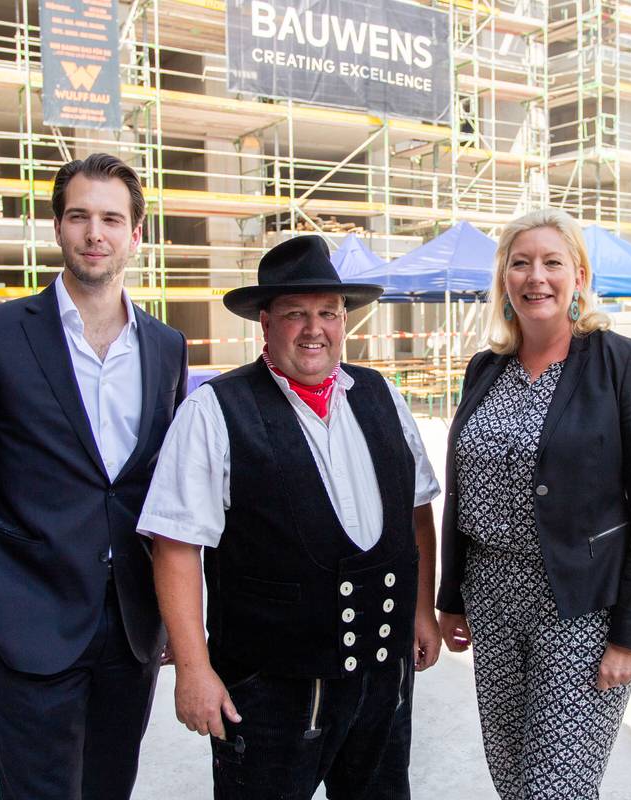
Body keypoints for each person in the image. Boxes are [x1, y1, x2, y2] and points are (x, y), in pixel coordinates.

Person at [139, 236, 441, 800]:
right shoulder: (214, 410)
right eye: (295, 314)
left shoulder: (379, 394)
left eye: (328, 312)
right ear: (265, 322)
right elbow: (176, 545)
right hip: (267, 688)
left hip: (381, 677)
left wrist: (421, 610)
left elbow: (416, 509)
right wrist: (193, 668)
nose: (314, 328)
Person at [0, 154, 188, 800]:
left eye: (110, 218)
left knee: (110, 788)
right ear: (57, 228)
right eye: (78, 216)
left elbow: (166, 486)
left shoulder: (165, 346)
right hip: (28, 618)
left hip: (131, 626)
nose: (94, 233)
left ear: (136, 234)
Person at [436, 208, 631, 799]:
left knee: (558, 789)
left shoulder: (623, 363)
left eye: (552, 262)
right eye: (520, 263)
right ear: (503, 280)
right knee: (515, 779)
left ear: (579, 275)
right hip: (492, 602)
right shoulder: (485, 370)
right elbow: (463, 484)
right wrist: (451, 597)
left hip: (580, 611)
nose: (535, 277)